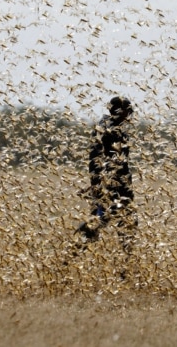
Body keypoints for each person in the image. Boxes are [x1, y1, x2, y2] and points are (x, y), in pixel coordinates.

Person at [76, 97, 136, 249]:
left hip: (114, 183)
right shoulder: (110, 131)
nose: (129, 116)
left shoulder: (109, 128)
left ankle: (75, 251)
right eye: (128, 112)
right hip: (113, 184)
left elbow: (99, 160)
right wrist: (99, 184)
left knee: (115, 218)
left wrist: (95, 183)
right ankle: (127, 261)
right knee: (124, 219)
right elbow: (100, 160)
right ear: (119, 111)